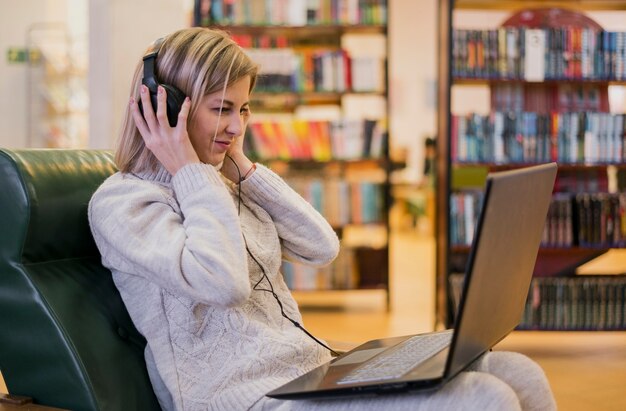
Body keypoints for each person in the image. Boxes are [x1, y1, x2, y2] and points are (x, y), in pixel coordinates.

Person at [88, 27, 557, 411]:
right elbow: (222, 281)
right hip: (247, 400)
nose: (236, 127)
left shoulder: (221, 183)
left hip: (311, 371)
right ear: (168, 107)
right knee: (482, 398)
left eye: (244, 109)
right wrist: (189, 170)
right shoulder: (124, 203)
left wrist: (243, 168)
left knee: (517, 371)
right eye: (222, 109)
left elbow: (321, 247)